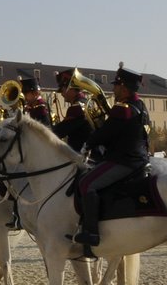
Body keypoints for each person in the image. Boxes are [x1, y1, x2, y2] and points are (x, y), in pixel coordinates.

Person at [70, 65, 152, 257]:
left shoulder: (122, 109)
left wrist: (87, 145)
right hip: (137, 158)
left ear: (124, 88)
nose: (113, 89)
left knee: (86, 184)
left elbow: (105, 132)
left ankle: (91, 233)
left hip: (124, 161)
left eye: (116, 86)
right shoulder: (139, 106)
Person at [52, 69, 94, 153]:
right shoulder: (86, 102)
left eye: (63, 90)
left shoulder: (76, 108)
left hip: (79, 154)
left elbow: (59, 132)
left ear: (70, 88)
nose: (62, 94)